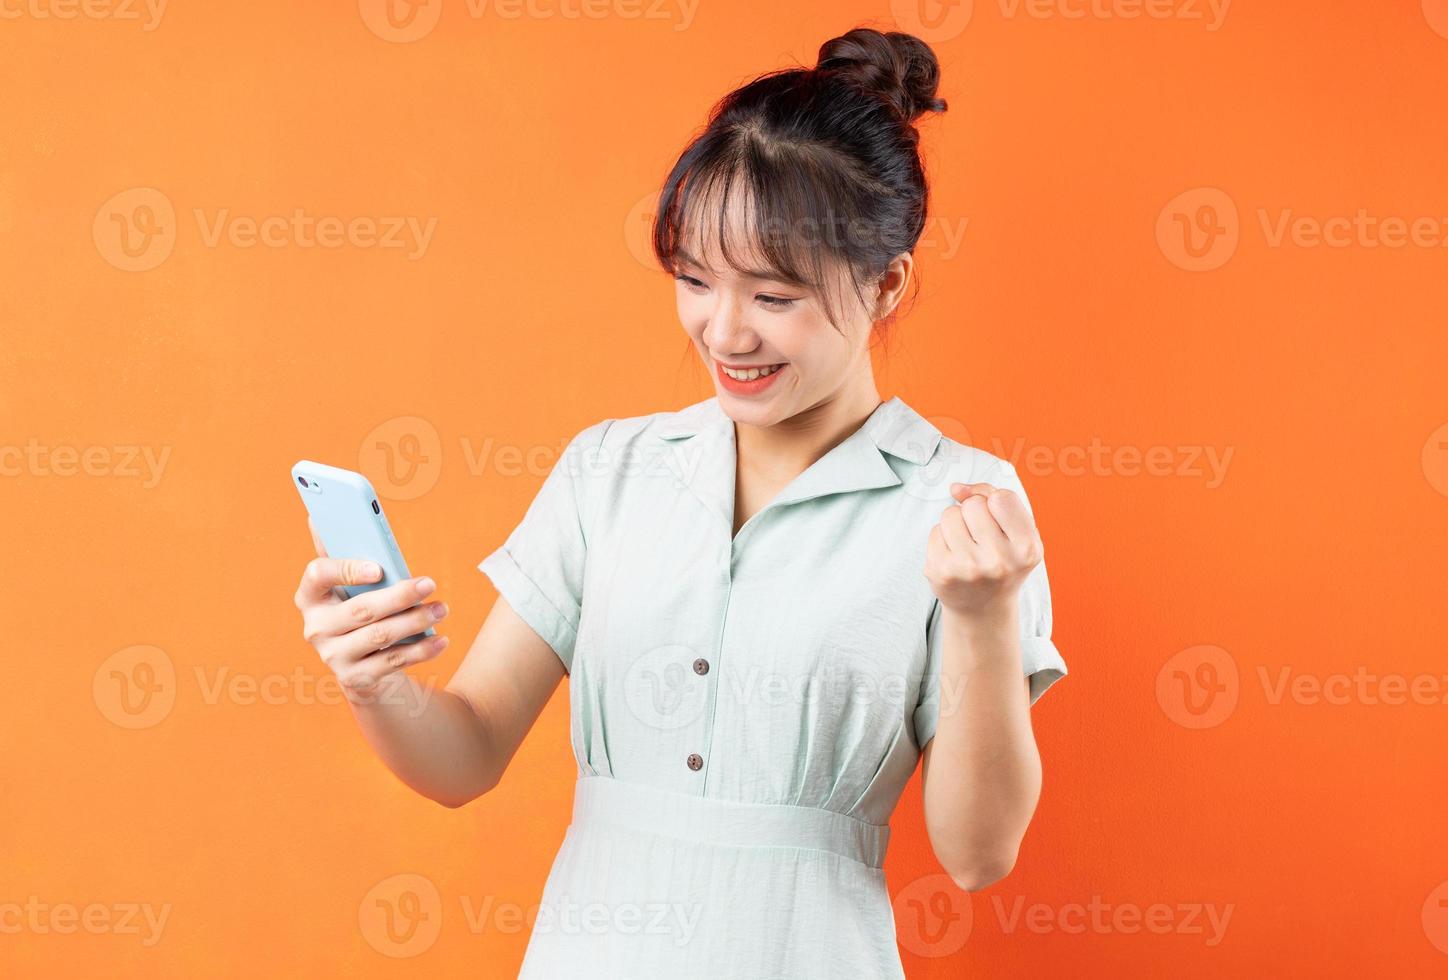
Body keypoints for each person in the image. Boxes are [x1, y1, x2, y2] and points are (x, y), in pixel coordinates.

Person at [293, 25, 1067, 978]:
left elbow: (977, 855)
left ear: (886, 282)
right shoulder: (610, 471)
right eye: (695, 282)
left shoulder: (963, 509)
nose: (724, 331)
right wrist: (376, 685)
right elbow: (467, 756)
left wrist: (985, 617)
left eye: (774, 296)